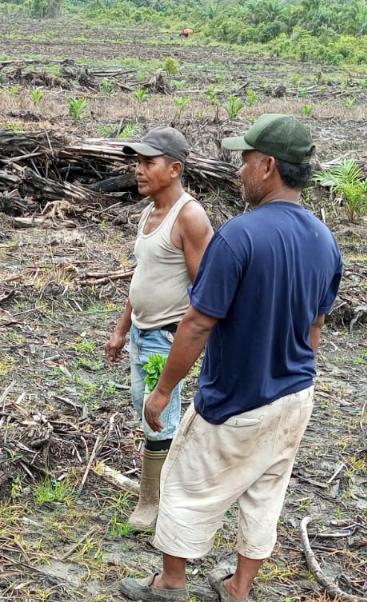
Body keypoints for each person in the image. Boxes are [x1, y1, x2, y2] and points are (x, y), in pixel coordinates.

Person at [118, 114, 342, 602]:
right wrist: (292, 373)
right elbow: (314, 329)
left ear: (266, 166)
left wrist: (162, 391)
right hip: (295, 395)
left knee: (183, 481)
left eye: (243, 161)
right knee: (265, 494)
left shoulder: (239, 236)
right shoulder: (326, 241)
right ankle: (238, 588)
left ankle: (171, 583)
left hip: (236, 396)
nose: (238, 171)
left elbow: (199, 322)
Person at [105, 127, 213, 531]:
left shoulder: (189, 216)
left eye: (148, 163)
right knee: (144, 405)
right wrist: (121, 328)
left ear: (174, 169)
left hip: (167, 334)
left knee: (158, 415)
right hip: (141, 331)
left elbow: (205, 291)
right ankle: (167, 484)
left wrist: (189, 340)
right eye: (137, 162)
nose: (139, 170)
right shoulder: (150, 214)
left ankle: (154, 503)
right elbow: (143, 277)